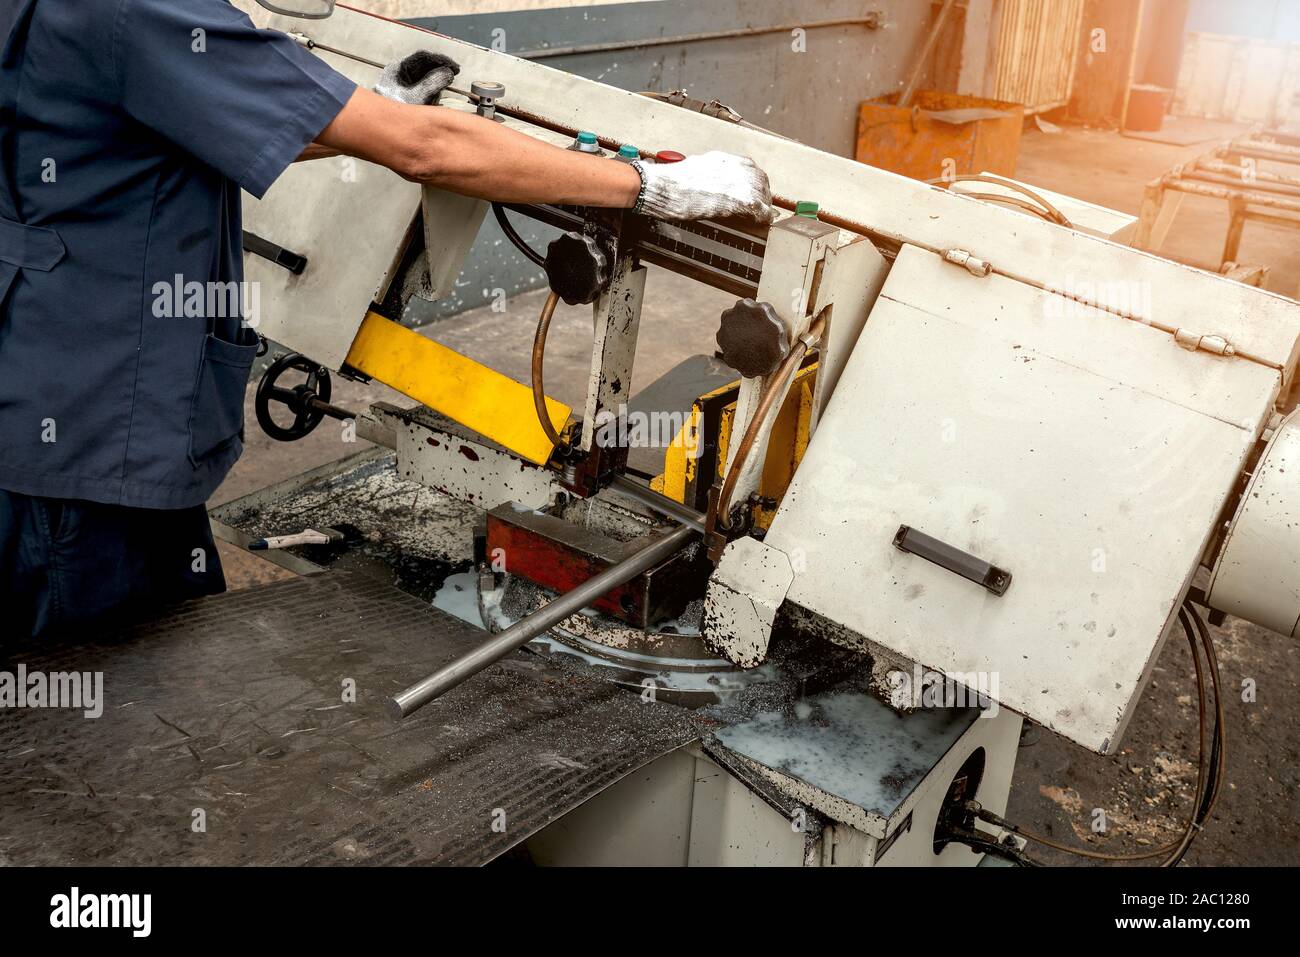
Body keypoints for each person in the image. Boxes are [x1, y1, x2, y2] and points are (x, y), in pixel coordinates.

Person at [0, 0, 776, 638]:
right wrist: (644, 185)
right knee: (111, 713)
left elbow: (171, 123)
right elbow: (429, 150)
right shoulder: (134, 10)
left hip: (36, 400)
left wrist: (355, 113)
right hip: (91, 459)